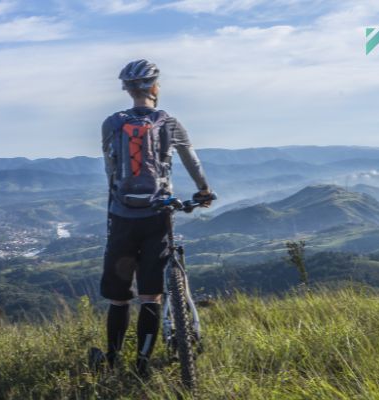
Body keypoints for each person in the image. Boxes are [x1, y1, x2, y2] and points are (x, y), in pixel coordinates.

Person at [92, 59, 213, 377]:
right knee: (151, 295)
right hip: (157, 216)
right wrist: (203, 191)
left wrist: (117, 203)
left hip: (121, 216)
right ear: (155, 88)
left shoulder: (111, 124)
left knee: (119, 299)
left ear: (128, 90)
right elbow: (192, 161)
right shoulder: (169, 123)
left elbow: (110, 169)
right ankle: (142, 364)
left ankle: (112, 361)